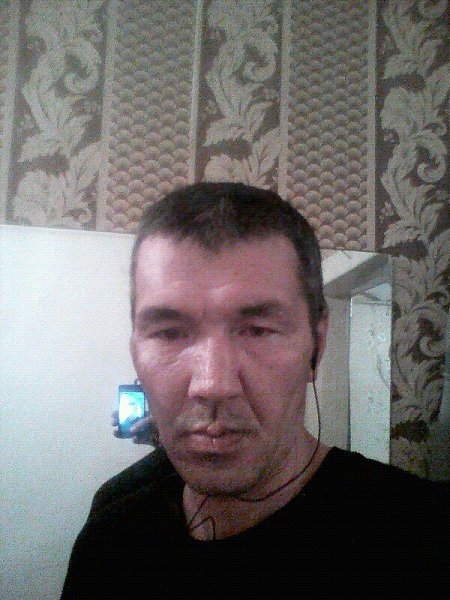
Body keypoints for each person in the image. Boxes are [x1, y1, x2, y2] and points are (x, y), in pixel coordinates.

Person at [61, 183, 448, 596]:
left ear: (317, 345)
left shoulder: (422, 540)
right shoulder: (109, 539)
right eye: (169, 332)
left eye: (258, 330)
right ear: (135, 347)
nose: (212, 385)